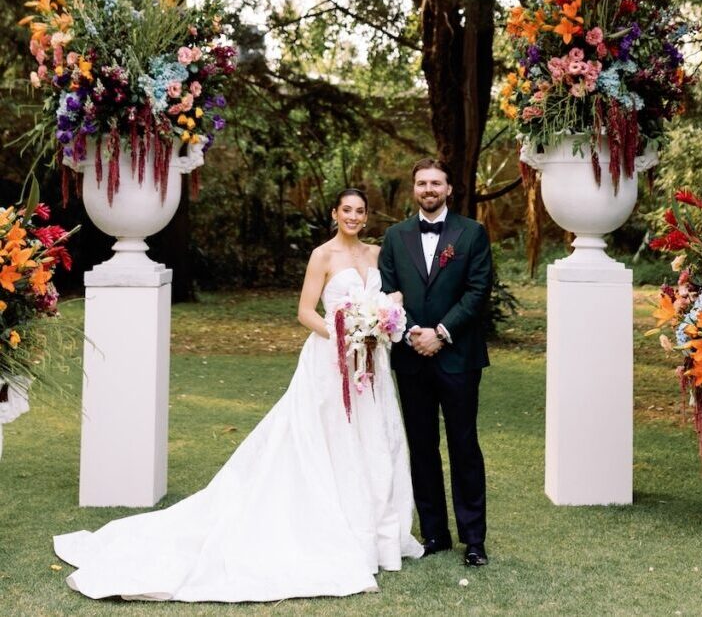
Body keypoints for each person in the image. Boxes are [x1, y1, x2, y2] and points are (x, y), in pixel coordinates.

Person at [53, 188, 423, 602]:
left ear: (367, 218)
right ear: (335, 214)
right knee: (330, 439)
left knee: (372, 440)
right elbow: (305, 311)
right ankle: (331, 528)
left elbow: (393, 296)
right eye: (346, 210)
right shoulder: (322, 255)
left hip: (371, 365)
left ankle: (377, 538)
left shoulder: (376, 254)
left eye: (359, 212)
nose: (353, 217)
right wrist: (343, 334)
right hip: (330, 361)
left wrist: (382, 319)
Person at [379, 158, 493, 567]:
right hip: (411, 358)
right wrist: (412, 331)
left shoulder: (472, 233)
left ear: (448, 189)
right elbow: (387, 289)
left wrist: (441, 332)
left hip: (459, 357)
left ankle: (474, 539)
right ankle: (434, 534)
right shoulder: (395, 236)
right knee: (422, 447)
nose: (429, 189)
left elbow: (478, 291)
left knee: (464, 446)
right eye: (422, 183)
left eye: (436, 183)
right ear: (414, 189)